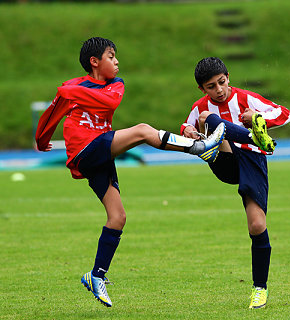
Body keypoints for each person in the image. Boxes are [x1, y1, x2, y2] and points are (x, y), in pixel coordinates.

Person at [35, 37, 226, 308]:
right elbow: (54, 109)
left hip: (100, 150)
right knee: (142, 131)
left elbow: (108, 104)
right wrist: (42, 138)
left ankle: (96, 275)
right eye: (111, 56)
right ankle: (199, 147)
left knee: (118, 217)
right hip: (84, 148)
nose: (116, 61)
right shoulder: (73, 86)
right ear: (95, 61)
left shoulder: (114, 85)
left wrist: (70, 93)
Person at [181, 57, 290, 309]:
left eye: (221, 82)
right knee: (207, 118)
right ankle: (252, 137)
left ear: (228, 76)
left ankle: (259, 289)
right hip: (225, 158)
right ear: (202, 89)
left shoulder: (246, 98)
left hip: (252, 161)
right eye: (211, 86)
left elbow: (285, 114)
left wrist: (257, 116)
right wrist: (187, 131)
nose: (218, 90)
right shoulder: (201, 105)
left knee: (256, 225)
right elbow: (187, 125)